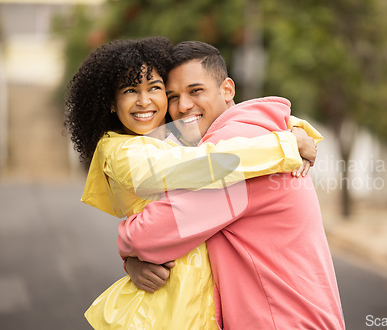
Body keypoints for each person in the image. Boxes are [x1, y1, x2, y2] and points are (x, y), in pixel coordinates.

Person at [65, 36, 319, 329]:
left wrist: (296, 129)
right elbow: (201, 165)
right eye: (130, 90)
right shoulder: (124, 151)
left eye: (155, 89)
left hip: (198, 301)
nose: (145, 101)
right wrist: (285, 145)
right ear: (111, 102)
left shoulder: (166, 139)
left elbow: (233, 137)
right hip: (167, 305)